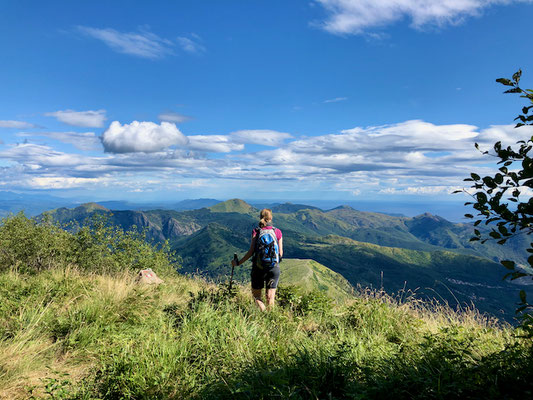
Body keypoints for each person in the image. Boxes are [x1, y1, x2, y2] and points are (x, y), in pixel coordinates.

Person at [232, 208, 283, 311]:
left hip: (258, 268)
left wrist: (238, 263)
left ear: (260, 217)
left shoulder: (256, 231)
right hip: (273, 269)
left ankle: (263, 313)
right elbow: (280, 253)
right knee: (270, 298)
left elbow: (251, 252)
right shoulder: (277, 232)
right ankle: (270, 320)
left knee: (257, 297)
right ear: (271, 218)